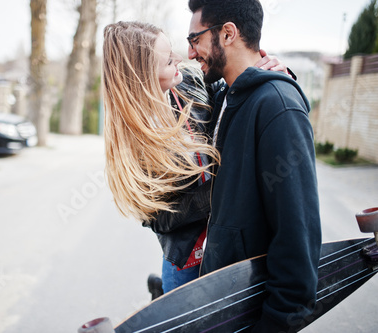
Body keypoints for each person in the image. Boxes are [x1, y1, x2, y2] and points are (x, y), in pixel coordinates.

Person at [102, 21, 291, 295]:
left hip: (228, 241)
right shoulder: (131, 141)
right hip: (187, 256)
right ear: (144, 76)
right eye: (168, 60)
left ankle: (161, 293)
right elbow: (157, 218)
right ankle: (163, 294)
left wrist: (273, 75)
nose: (180, 58)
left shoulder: (189, 82)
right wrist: (222, 191)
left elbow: (233, 97)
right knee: (186, 321)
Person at [186, 0, 322, 332]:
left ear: (228, 33)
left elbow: (297, 242)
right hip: (224, 302)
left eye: (194, 40)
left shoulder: (277, 106)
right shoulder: (227, 97)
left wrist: (274, 324)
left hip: (252, 317)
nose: (190, 53)